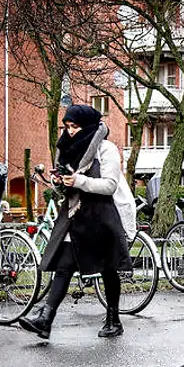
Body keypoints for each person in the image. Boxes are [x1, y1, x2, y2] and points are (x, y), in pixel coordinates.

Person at [17, 104, 136, 339]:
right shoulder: (67, 149)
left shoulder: (106, 149)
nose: (70, 131)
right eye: (68, 126)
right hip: (75, 212)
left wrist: (79, 181)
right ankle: (45, 319)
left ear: (88, 126)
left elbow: (110, 185)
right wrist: (58, 182)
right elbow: (67, 186)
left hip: (102, 214)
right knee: (64, 265)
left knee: (108, 268)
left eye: (75, 127)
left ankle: (113, 319)